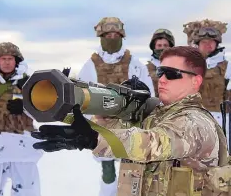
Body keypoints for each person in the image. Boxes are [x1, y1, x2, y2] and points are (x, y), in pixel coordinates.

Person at [32, 46, 230, 196]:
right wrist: (69, 111)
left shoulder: (196, 122)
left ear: (195, 81)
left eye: (171, 74)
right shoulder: (155, 116)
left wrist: (93, 139)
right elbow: (116, 135)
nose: (161, 79)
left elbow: (154, 143)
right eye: (161, 72)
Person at [76, 17, 155, 196]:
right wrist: (86, 125)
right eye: (108, 34)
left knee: (132, 170)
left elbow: (149, 94)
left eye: (115, 34)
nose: (112, 38)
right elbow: (81, 96)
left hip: (132, 125)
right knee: (108, 171)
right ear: (101, 36)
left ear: (122, 36)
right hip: (103, 126)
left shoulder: (134, 64)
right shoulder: (91, 65)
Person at [0, 42, 43, 196]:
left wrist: (25, 107)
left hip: (22, 144)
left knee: (26, 189)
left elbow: (42, 111)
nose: (6, 62)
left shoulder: (30, 82)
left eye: (10, 59)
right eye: (3, 58)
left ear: (16, 61)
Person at [183, 19, 231, 147]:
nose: (208, 44)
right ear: (198, 44)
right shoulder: (188, 66)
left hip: (219, 122)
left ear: (217, 43)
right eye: (204, 42)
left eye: (211, 42)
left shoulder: (227, 66)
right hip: (192, 120)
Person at [146, 29, 175, 97]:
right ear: (154, 47)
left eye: (165, 45)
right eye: (159, 45)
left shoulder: (178, 67)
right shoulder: (144, 69)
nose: (162, 48)